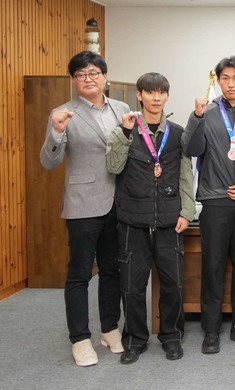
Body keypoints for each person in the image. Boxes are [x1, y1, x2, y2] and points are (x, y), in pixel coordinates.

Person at [40, 51, 128, 366]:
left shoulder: (122, 109)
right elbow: (48, 162)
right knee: (79, 274)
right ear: (73, 80)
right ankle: (79, 339)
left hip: (119, 203)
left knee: (112, 270)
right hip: (83, 204)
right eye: (80, 74)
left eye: (93, 73)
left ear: (105, 76)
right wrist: (57, 132)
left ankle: (110, 328)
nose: (88, 79)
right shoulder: (63, 113)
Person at [106, 73, 195, 364]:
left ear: (167, 96)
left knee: (173, 285)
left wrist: (187, 211)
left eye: (161, 93)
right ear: (140, 95)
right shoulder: (126, 129)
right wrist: (124, 134)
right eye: (150, 92)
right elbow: (113, 167)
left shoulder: (178, 133)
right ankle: (134, 340)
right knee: (132, 287)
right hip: (133, 221)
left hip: (169, 221)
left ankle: (171, 337)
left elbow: (185, 174)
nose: (156, 98)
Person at [183, 56, 235, 354]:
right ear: (218, 81)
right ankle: (211, 328)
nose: (230, 84)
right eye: (225, 78)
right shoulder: (206, 111)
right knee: (213, 266)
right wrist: (196, 116)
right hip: (214, 201)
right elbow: (191, 149)